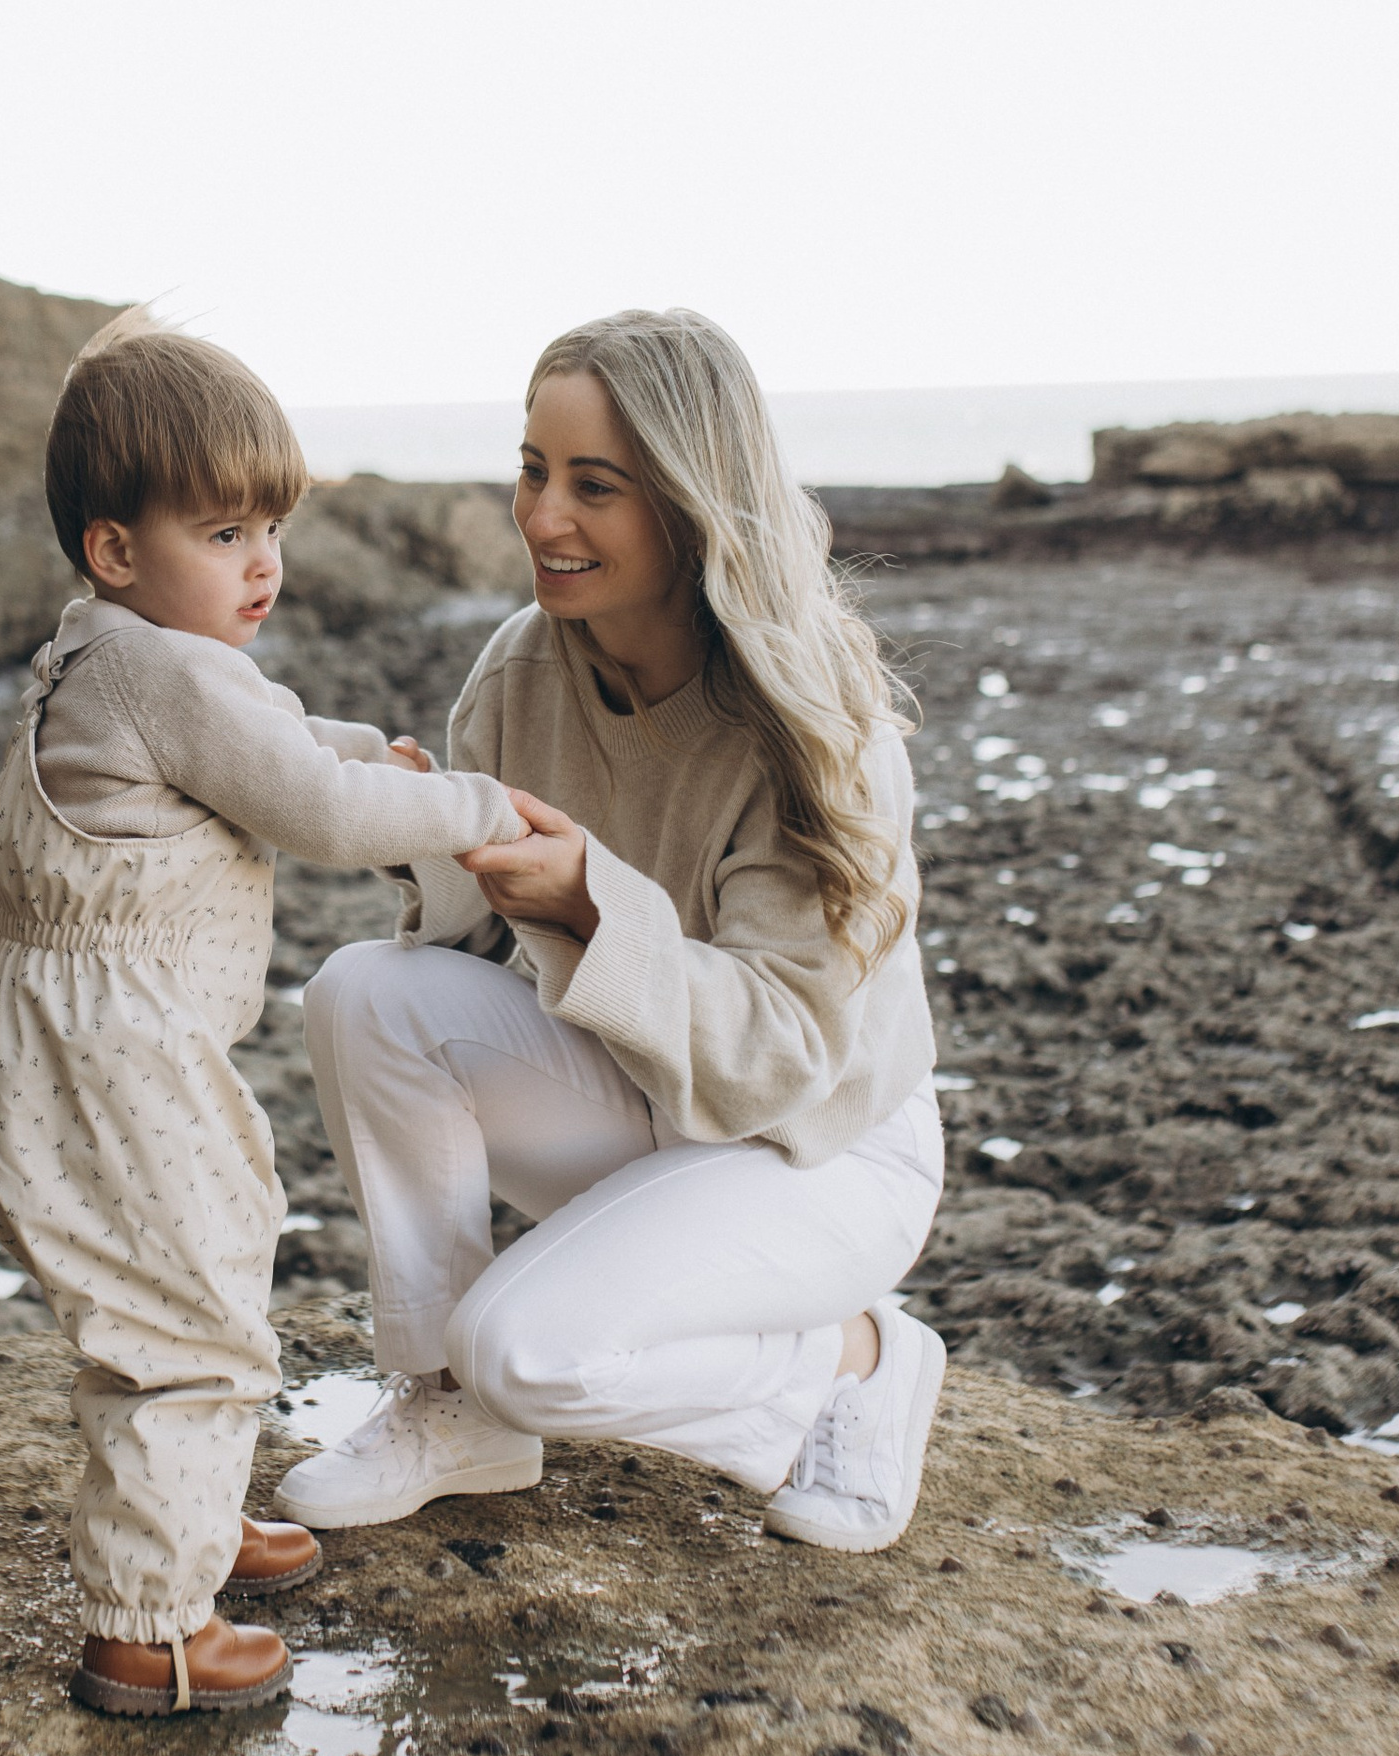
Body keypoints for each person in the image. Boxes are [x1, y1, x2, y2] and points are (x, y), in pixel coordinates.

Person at [278, 305, 946, 1552]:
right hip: (642, 1099)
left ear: (690, 501)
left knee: (524, 1350)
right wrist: (429, 834)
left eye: (594, 485)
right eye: (532, 471)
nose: (540, 518)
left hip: (822, 1146)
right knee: (361, 992)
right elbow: (477, 956)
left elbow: (784, 1053)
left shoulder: (811, 723)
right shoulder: (525, 668)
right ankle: (447, 1409)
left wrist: (595, 902)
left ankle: (849, 1363)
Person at [0, 315, 522, 1719]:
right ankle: (152, 1628)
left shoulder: (102, 655)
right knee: (192, 1313)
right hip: (113, 1055)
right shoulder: (170, 667)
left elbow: (264, 748)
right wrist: (473, 805)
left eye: (270, 524)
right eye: (221, 530)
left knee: (176, 1282)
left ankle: (187, 1522)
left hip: (51, 1042)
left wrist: (342, 744)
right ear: (115, 550)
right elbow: (310, 807)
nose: (261, 561)